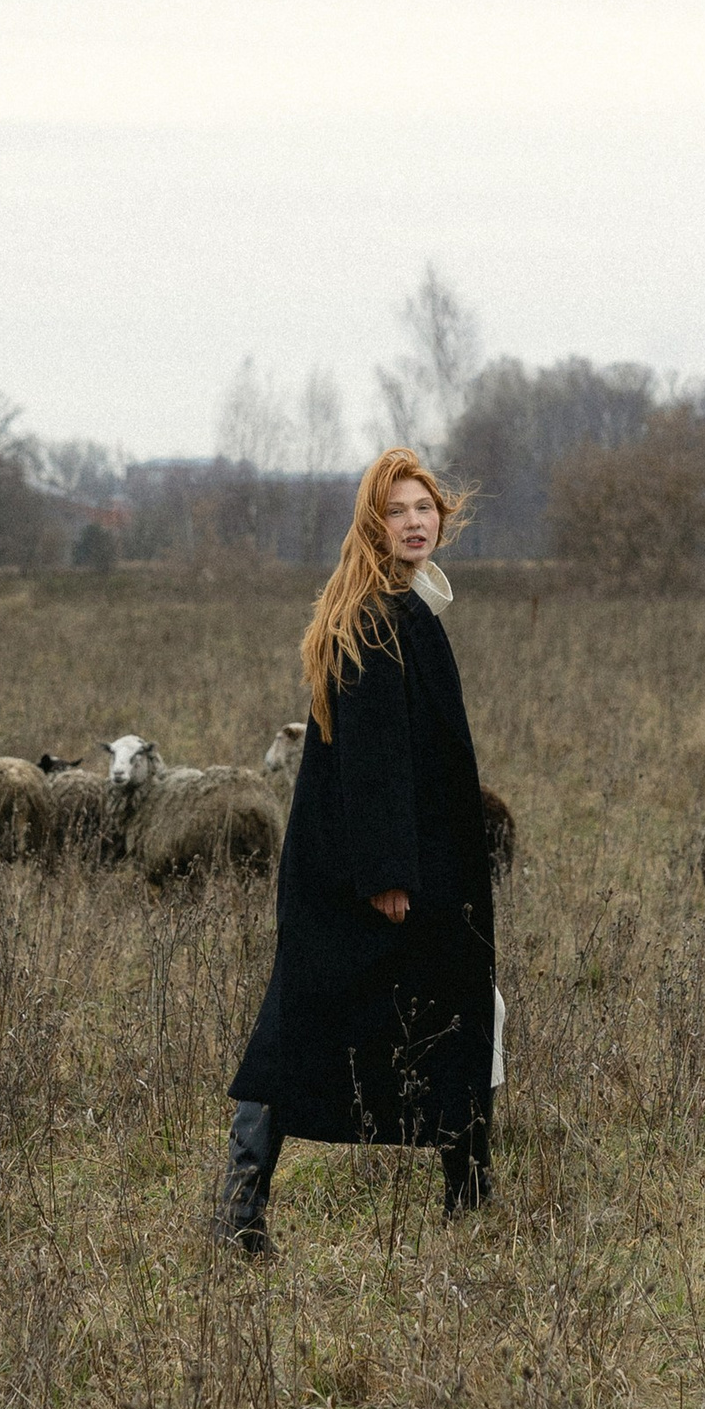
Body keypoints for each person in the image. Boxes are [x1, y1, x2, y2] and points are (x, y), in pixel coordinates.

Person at [219, 448, 495, 1251]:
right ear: (374, 526)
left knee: (457, 1008)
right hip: (368, 875)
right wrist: (387, 876)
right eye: (398, 510)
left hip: (407, 866)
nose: (416, 521)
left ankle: (469, 1188)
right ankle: (240, 1209)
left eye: (425, 506)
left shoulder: (408, 606)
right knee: (300, 1023)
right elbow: (373, 759)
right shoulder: (378, 619)